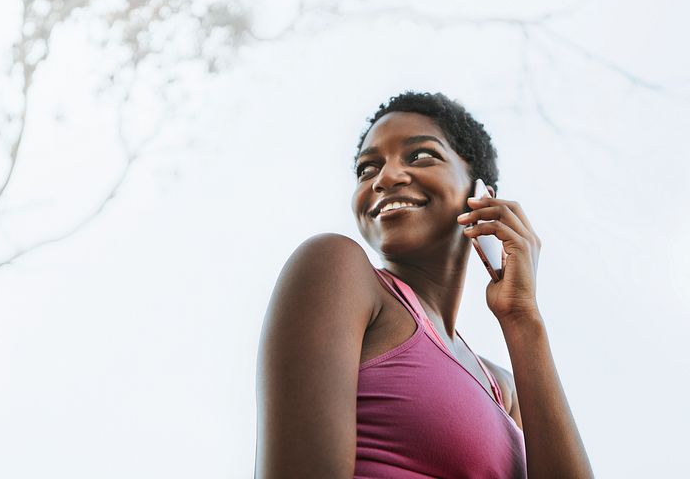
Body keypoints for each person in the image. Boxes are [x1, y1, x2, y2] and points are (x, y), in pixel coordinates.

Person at [254, 92, 593, 478]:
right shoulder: (336, 268)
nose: (386, 178)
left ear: (481, 195)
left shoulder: (504, 389)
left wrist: (522, 317)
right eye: (367, 169)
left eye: (419, 156)